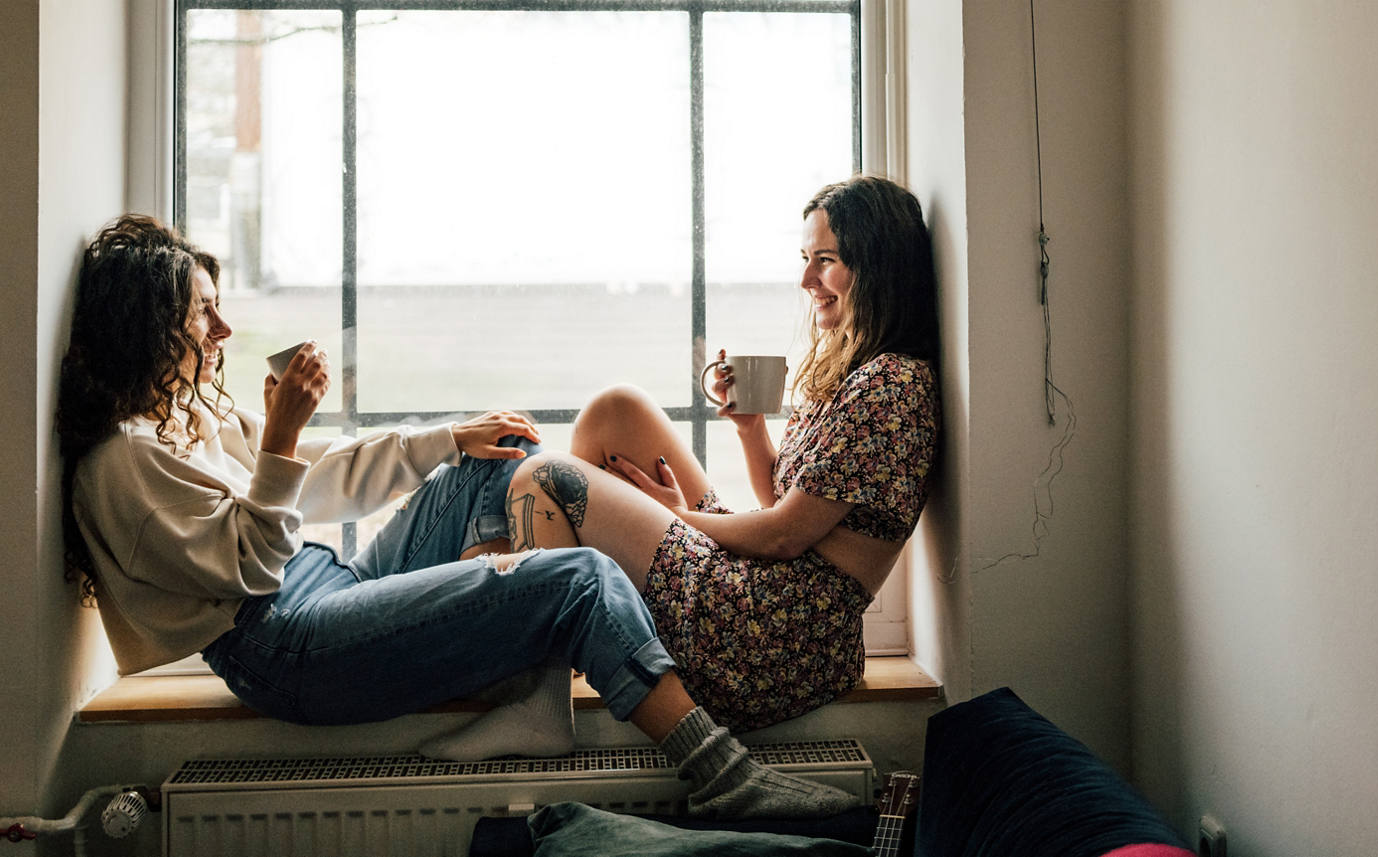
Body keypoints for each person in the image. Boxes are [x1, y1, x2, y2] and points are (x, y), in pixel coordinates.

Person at [56, 214, 856, 820]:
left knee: (495, 456)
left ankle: (536, 700)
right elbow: (253, 566)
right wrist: (283, 437)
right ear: (148, 325)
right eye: (203, 315)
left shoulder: (184, 418)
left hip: (326, 586)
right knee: (577, 577)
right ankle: (728, 775)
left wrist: (451, 435)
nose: (224, 332)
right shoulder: (124, 462)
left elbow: (312, 488)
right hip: (280, 644)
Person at [501, 175, 941, 732]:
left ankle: (539, 706)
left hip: (777, 634)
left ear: (877, 265)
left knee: (540, 476)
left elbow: (786, 533)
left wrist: (676, 517)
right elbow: (784, 499)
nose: (807, 279)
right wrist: (750, 428)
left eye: (825, 261)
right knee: (618, 411)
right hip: (768, 587)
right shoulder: (856, 369)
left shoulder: (892, 384)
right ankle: (583, 635)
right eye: (806, 259)